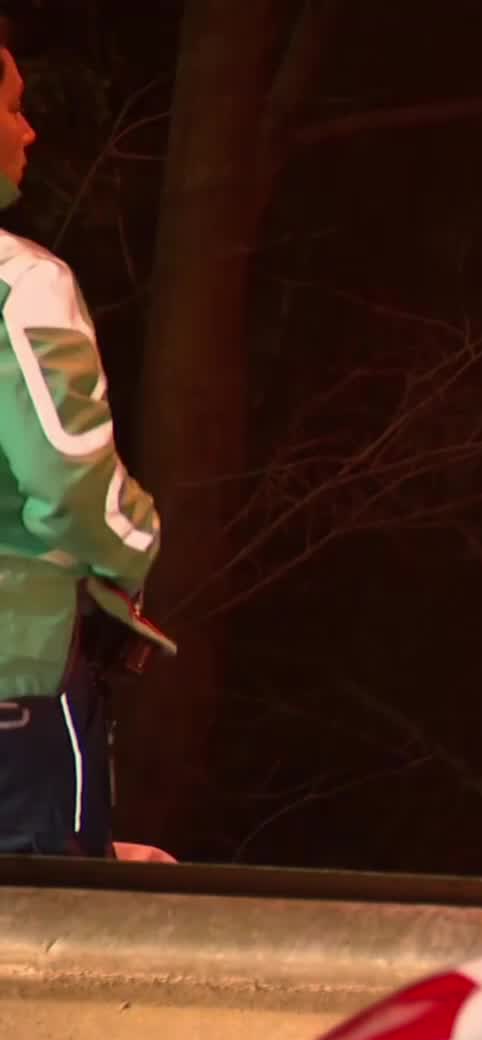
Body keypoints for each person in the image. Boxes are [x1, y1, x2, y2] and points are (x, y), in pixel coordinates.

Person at [0, 36, 173, 857]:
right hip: (16, 682)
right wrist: (138, 541)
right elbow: (70, 486)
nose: (29, 131)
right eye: (10, 108)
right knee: (42, 957)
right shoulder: (20, 284)